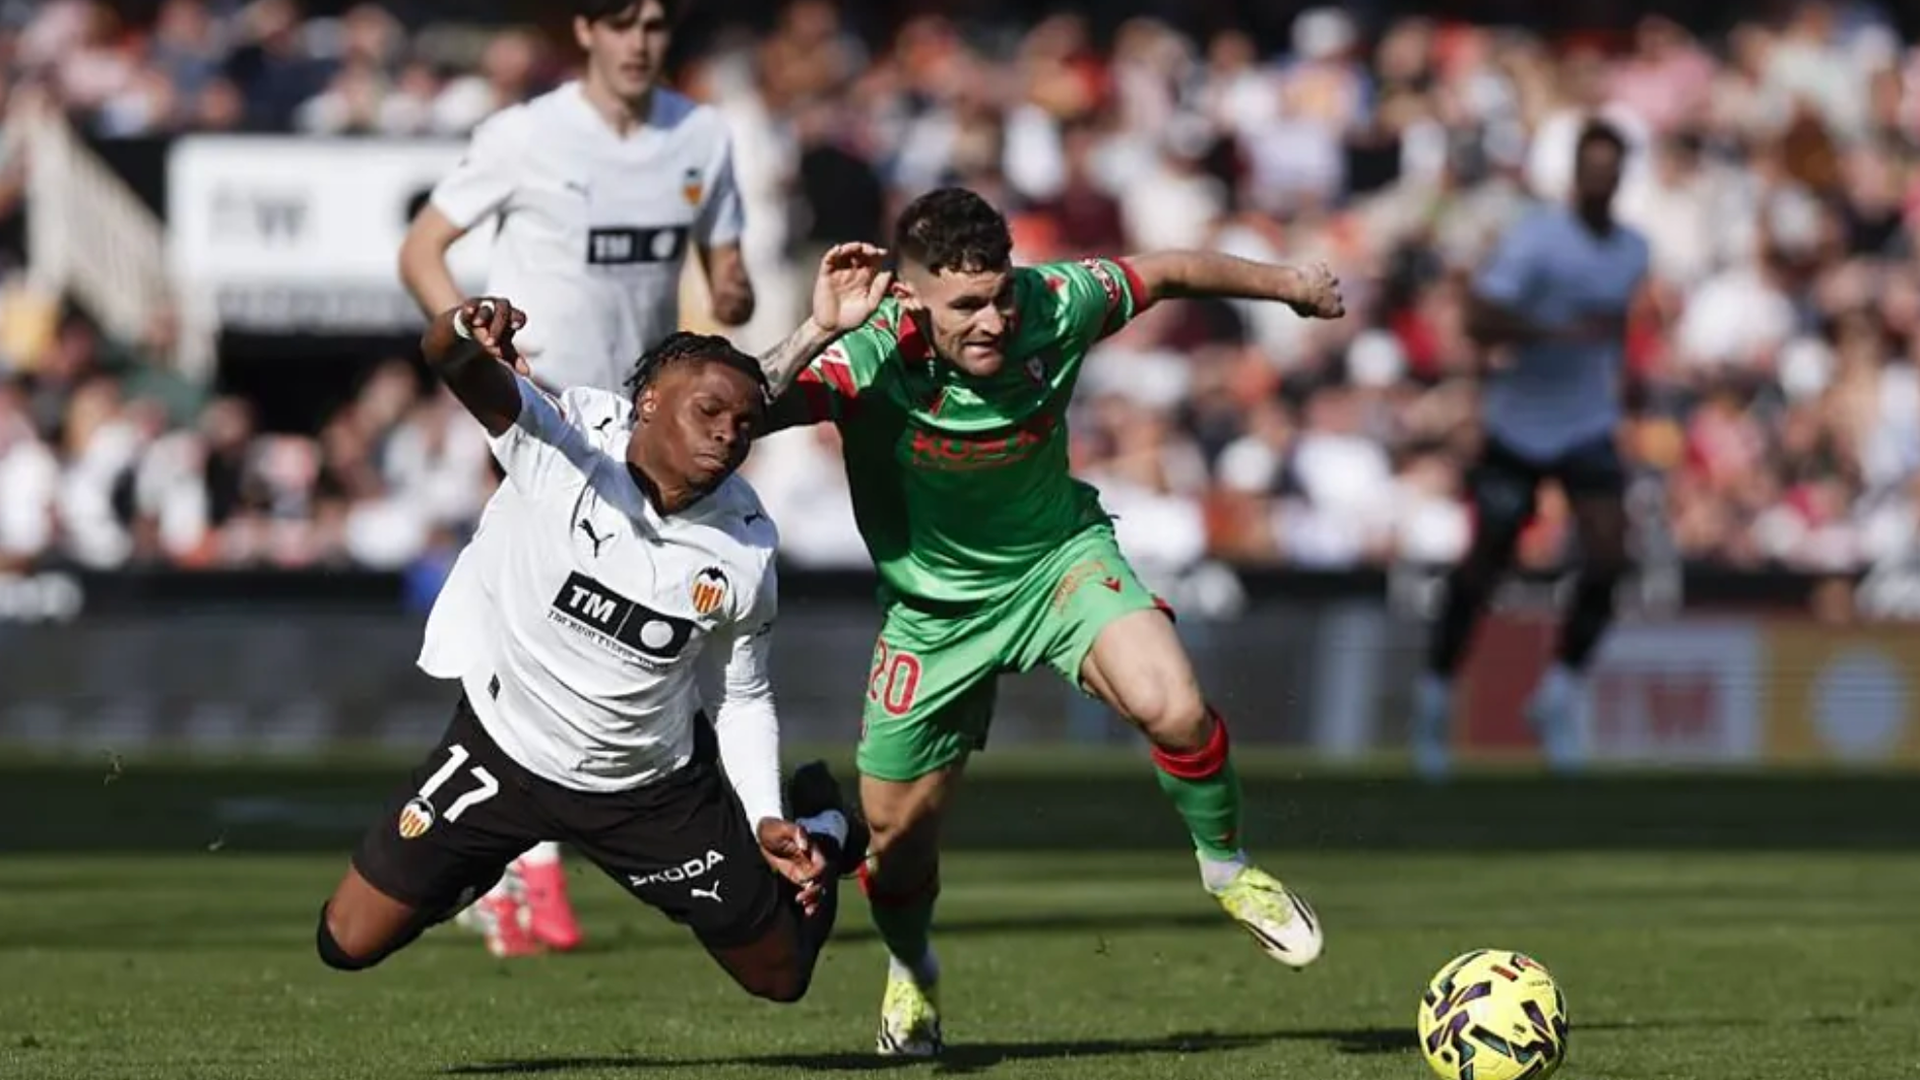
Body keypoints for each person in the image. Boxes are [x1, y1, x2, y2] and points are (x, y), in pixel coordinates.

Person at [751, 187, 1346, 1056]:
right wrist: (814, 332)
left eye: (999, 292)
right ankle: (913, 972)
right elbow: (735, 410)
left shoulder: (1055, 303)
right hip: (933, 615)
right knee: (896, 842)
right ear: (911, 295)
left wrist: (1288, 283)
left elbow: (1172, 268)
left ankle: (1229, 871)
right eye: (966, 305)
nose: (993, 319)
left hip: (1058, 565)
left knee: (1173, 703)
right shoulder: (868, 354)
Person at [317, 294, 869, 1001]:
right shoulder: (563, 445)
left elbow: (741, 694)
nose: (729, 435)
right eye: (709, 414)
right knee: (344, 941)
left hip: (649, 791)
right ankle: (478, 863)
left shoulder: (746, 545)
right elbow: (450, 362)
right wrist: (462, 328)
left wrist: (764, 812)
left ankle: (821, 826)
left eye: (745, 426)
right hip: (502, 753)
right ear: (647, 404)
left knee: (782, 979)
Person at [398, 0, 752, 952]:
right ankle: (517, 862)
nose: (641, 41)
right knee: (528, 608)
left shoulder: (702, 136)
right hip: (546, 416)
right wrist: (476, 350)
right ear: (587, 32)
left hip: (641, 433)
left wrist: (732, 290)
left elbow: (728, 267)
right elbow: (420, 249)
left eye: (657, 24)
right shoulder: (525, 136)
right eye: (622, 22)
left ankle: (524, 853)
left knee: (609, 632)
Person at [1411, 118, 1650, 779]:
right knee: (1489, 560)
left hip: (1586, 421)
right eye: (1592, 169)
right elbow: (1478, 316)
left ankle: (1559, 695)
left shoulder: (1633, 249)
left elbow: (1616, 331)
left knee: (1610, 552)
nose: (1602, 182)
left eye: (1613, 171)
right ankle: (1434, 698)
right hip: (1519, 422)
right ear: (1576, 174)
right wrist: (1550, 329)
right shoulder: (1538, 239)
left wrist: (1623, 390)